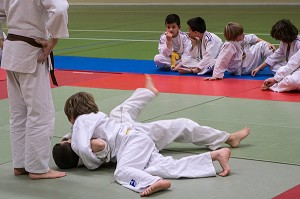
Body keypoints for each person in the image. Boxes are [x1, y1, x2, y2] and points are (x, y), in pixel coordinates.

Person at [53, 75, 250, 196]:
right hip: (135, 140)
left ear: (72, 115)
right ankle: (213, 157)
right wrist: (67, 141)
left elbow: (81, 147)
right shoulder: (90, 124)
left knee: (122, 172)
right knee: (164, 165)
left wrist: (93, 164)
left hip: (129, 138)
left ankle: (151, 182)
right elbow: (78, 143)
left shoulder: (82, 123)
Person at [0, 0, 69, 179]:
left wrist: (1, 38)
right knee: (41, 114)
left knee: (18, 113)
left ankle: (21, 164)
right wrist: (54, 39)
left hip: (12, 51)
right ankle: (38, 168)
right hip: (32, 53)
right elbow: (60, 8)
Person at [205, 22, 275, 80]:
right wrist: (216, 75)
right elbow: (222, 60)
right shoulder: (229, 45)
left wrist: (268, 43)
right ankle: (277, 70)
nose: (243, 35)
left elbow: (253, 38)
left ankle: (277, 68)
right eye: (241, 34)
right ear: (235, 37)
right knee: (263, 45)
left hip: (245, 64)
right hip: (242, 69)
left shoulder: (238, 40)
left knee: (264, 44)